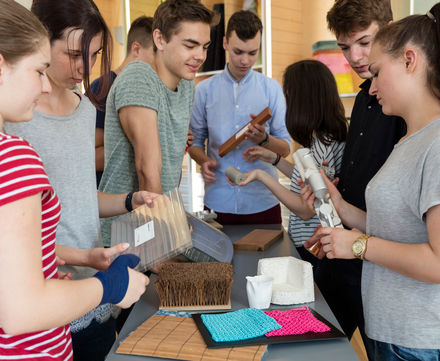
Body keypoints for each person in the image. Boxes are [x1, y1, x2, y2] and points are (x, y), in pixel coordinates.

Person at [3, 0, 159, 360]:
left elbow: (78, 196)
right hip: (49, 303)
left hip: (90, 292)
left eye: (95, 54)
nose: (85, 67)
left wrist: (127, 200)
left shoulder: (85, 108)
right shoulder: (14, 122)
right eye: (73, 54)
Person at [305, 4, 440, 359]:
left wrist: (359, 246)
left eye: (378, 72)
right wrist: (341, 208)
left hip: (416, 339)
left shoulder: (436, 144)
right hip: (391, 328)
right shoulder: (409, 140)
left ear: (410, 60)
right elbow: (398, 227)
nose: (371, 85)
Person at [98, 0, 217, 246]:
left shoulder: (186, 85)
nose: (201, 56)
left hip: (156, 222)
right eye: (190, 45)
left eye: (205, 47)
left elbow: (170, 166)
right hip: (123, 235)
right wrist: (162, 239)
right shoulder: (138, 77)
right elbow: (147, 170)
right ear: (160, 39)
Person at [238, 60, 347, 264]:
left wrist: (261, 176)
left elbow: (305, 209)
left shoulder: (325, 144)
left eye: (287, 96)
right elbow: (305, 180)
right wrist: (274, 159)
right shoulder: (322, 138)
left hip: (314, 249)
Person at [189, 10, 291, 225]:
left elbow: (285, 148)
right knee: (218, 260)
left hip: (264, 200)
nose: (245, 60)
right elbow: (195, 144)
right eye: (238, 51)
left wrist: (264, 140)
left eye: (253, 53)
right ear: (225, 43)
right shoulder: (204, 90)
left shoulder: (271, 89)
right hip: (217, 200)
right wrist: (204, 161)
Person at [92, 16, 154, 187]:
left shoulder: (148, 88)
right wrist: (146, 144)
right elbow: (91, 158)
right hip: (109, 198)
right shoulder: (103, 87)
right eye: (156, 55)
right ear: (136, 49)